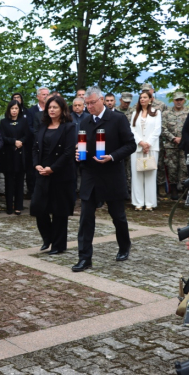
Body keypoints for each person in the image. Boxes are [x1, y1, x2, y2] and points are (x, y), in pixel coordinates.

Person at [72, 86, 136, 272]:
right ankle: (85, 258)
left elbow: (130, 145)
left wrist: (113, 156)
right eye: (87, 104)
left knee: (118, 216)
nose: (89, 106)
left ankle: (124, 246)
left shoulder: (117, 119)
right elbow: (82, 145)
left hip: (111, 174)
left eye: (92, 103)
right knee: (86, 218)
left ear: (102, 100)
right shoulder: (84, 121)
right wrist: (79, 154)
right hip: (91, 175)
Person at [31, 96, 76, 254]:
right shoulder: (43, 126)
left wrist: (53, 168)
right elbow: (35, 147)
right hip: (42, 172)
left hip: (61, 174)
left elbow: (68, 152)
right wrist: (36, 164)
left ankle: (58, 245)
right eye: (49, 107)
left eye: (55, 107)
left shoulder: (69, 127)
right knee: (37, 207)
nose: (51, 110)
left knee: (59, 212)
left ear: (62, 109)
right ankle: (48, 238)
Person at [129, 91, 161, 211]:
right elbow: (132, 129)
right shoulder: (135, 113)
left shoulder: (157, 113)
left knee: (150, 174)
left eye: (145, 97)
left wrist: (148, 143)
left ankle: (149, 203)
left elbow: (157, 130)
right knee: (137, 175)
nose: (142, 99)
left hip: (151, 148)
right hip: (137, 147)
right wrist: (141, 142)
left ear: (150, 99)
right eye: (141, 97)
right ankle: (138, 202)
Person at [0, 100, 30, 215]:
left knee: (20, 182)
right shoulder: (3, 122)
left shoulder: (24, 121)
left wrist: (20, 142)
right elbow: (2, 136)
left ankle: (18, 206)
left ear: (19, 110)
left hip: (20, 155)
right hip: (8, 155)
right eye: (12, 108)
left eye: (16, 108)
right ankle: (9, 207)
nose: (14, 111)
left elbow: (27, 135)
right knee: (9, 182)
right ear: (9, 110)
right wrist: (14, 142)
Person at [162, 91, 189, 200]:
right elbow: (163, 128)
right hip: (171, 145)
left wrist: (184, 139)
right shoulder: (166, 113)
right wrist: (173, 138)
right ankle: (173, 190)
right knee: (172, 168)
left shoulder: (188, 112)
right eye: (176, 100)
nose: (178, 102)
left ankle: (183, 190)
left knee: (184, 168)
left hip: (185, 145)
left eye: (181, 100)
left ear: (184, 100)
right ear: (173, 100)